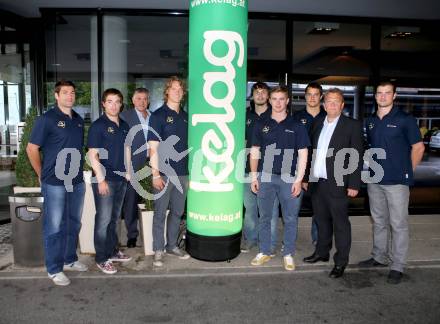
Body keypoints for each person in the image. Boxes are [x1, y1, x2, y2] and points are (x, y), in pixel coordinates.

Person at [358, 81, 425, 284]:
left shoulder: (405, 120)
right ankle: (379, 257)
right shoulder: (369, 121)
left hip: (397, 181)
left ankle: (397, 265)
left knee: (398, 224)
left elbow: (418, 147)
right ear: (375, 96)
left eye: (387, 93)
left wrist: (407, 171)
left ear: (394, 96)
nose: (383, 96)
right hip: (375, 179)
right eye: (379, 93)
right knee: (378, 221)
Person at [27, 80, 88, 286]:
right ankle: (53, 269)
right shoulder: (47, 119)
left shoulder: (78, 120)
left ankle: (70, 260)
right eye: (65, 93)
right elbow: (31, 149)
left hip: (76, 181)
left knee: (73, 223)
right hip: (54, 182)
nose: (69, 96)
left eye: (72, 92)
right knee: (53, 226)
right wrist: (41, 174)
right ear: (56, 96)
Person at [302, 88, 364, 279]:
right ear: (324, 103)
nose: (332, 104)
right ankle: (322, 252)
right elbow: (311, 152)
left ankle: (341, 262)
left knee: (340, 224)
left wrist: (354, 184)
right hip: (317, 182)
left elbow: (356, 156)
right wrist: (306, 177)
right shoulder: (318, 123)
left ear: (342, 105)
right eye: (329, 101)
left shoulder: (351, 125)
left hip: (338, 183)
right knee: (321, 220)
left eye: (336, 101)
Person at [250, 85, 309, 271]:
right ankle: (265, 250)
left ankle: (288, 253)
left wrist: (299, 180)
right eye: (274, 99)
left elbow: (303, 153)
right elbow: (254, 151)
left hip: (289, 178)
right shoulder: (261, 124)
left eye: (281, 99)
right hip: (265, 177)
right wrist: (254, 177)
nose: (278, 102)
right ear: (270, 101)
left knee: (290, 218)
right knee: (265, 217)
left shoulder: (297, 125)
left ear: (287, 101)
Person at [87, 88, 132, 275]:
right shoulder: (98, 125)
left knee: (114, 219)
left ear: (121, 104)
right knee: (103, 220)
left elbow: (127, 149)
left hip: (121, 179)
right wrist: (101, 179)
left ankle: (112, 251)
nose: (114, 105)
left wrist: (128, 172)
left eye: (117, 101)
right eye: (110, 101)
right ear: (103, 104)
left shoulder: (124, 125)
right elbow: (92, 154)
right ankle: (101, 258)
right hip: (104, 180)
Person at [148, 76, 190, 267]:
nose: (177, 92)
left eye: (180, 89)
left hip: (182, 173)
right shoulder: (158, 116)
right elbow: (153, 148)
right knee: (159, 213)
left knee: (177, 212)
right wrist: (155, 174)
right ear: (167, 91)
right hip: (163, 173)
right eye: (173, 89)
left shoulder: (185, 116)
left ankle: (172, 245)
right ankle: (158, 249)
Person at [242, 81, 280, 255]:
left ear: (268, 96)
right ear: (252, 96)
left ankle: (270, 244)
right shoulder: (245, 117)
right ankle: (251, 240)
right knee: (250, 209)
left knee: (270, 211)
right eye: (256, 92)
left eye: (263, 92)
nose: (260, 95)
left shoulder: (275, 117)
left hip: (269, 171)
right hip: (247, 171)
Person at [293, 82, 326, 245]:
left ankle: (317, 239)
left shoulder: (328, 117)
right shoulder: (296, 118)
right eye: (309, 94)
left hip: (320, 171)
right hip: (299, 171)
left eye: (315, 94)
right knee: (292, 210)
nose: (312, 98)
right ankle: (290, 240)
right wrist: (302, 177)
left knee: (319, 210)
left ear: (321, 97)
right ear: (305, 96)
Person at [120, 88, 151, 248]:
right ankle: (132, 235)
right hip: (133, 163)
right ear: (133, 100)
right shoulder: (125, 117)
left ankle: (153, 232)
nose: (142, 101)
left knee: (152, 198)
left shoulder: (153, 117)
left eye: (145, 98)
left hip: (153, 163)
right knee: (131, 200)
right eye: (138, 98)